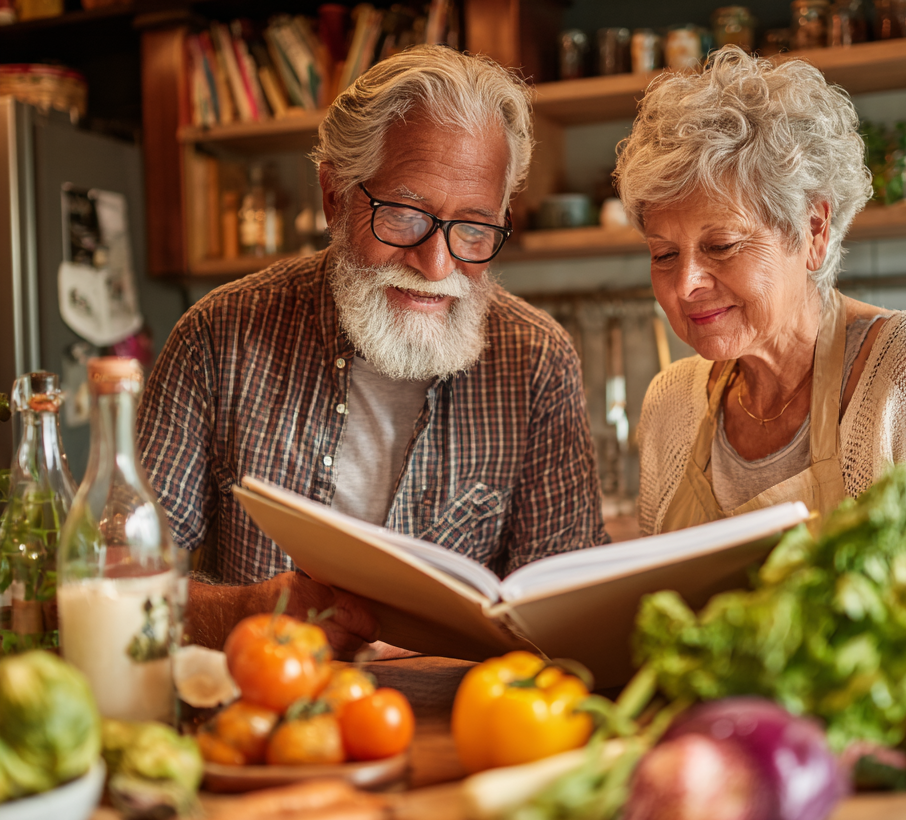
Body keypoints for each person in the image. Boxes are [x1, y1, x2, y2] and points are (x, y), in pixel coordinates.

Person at [138, 45, 607, 655]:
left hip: (468, 730)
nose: (436, 265)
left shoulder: (536, 359)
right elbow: (113, 589)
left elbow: (572, 620)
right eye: (407, 215)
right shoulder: (219, 337)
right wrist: (247, 613)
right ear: (335, 194)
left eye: (473, 227)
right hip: (265, 719)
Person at [614, 46, 906, 536]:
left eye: (721, 245)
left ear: (813, 231)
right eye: (664, 255)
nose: (686, 284)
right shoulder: (671, 404)